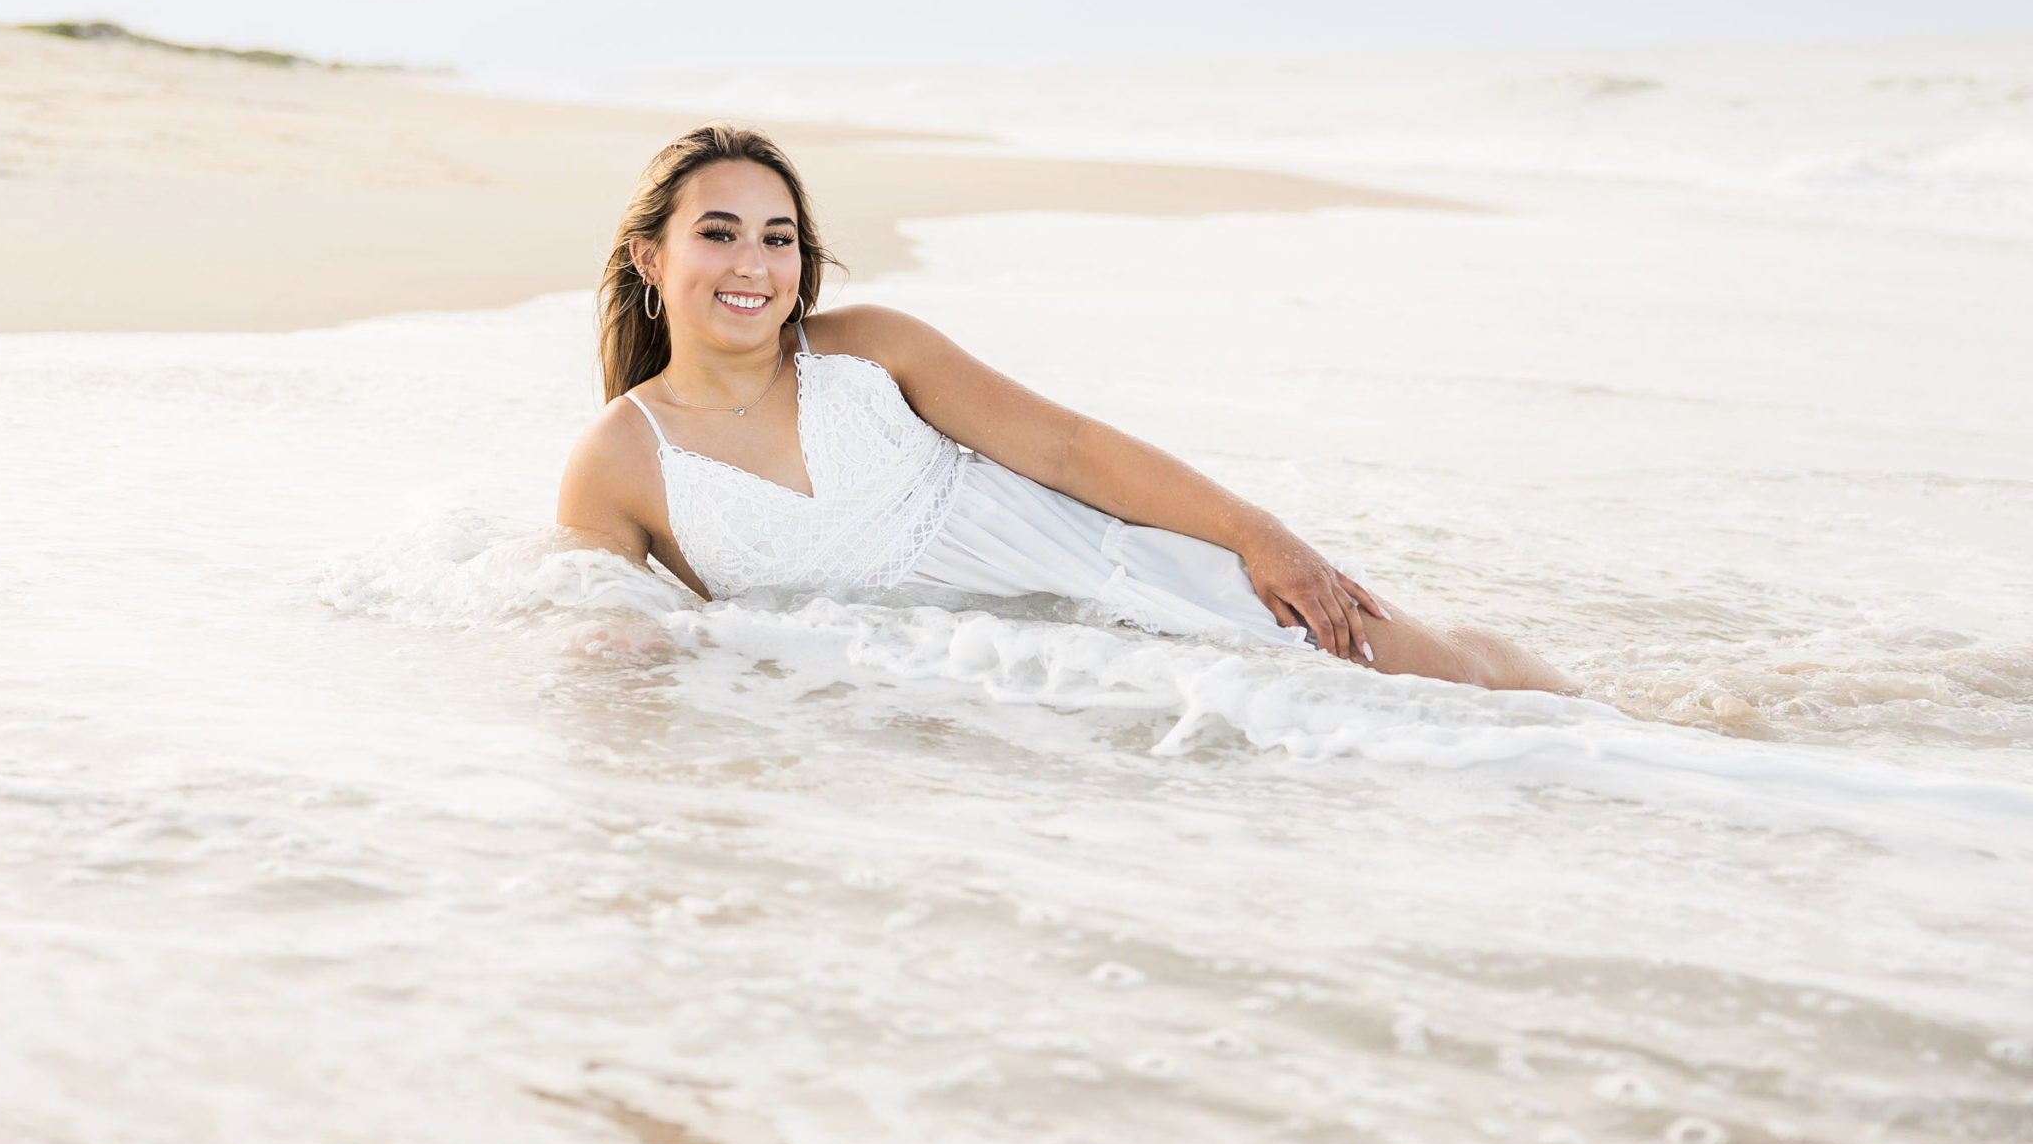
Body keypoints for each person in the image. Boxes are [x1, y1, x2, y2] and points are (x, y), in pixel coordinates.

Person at [556, 126, 1572, 691]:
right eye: (720, 233)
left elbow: (1068, 451)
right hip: (989, 709)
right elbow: (600, 635)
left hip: (1133, 590)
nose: (754, 265)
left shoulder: (867, 349)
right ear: (651, 256)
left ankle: (1679, 739)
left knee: (1444, 685)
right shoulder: (619, 459)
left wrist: (1259, 536)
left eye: (779, 239)